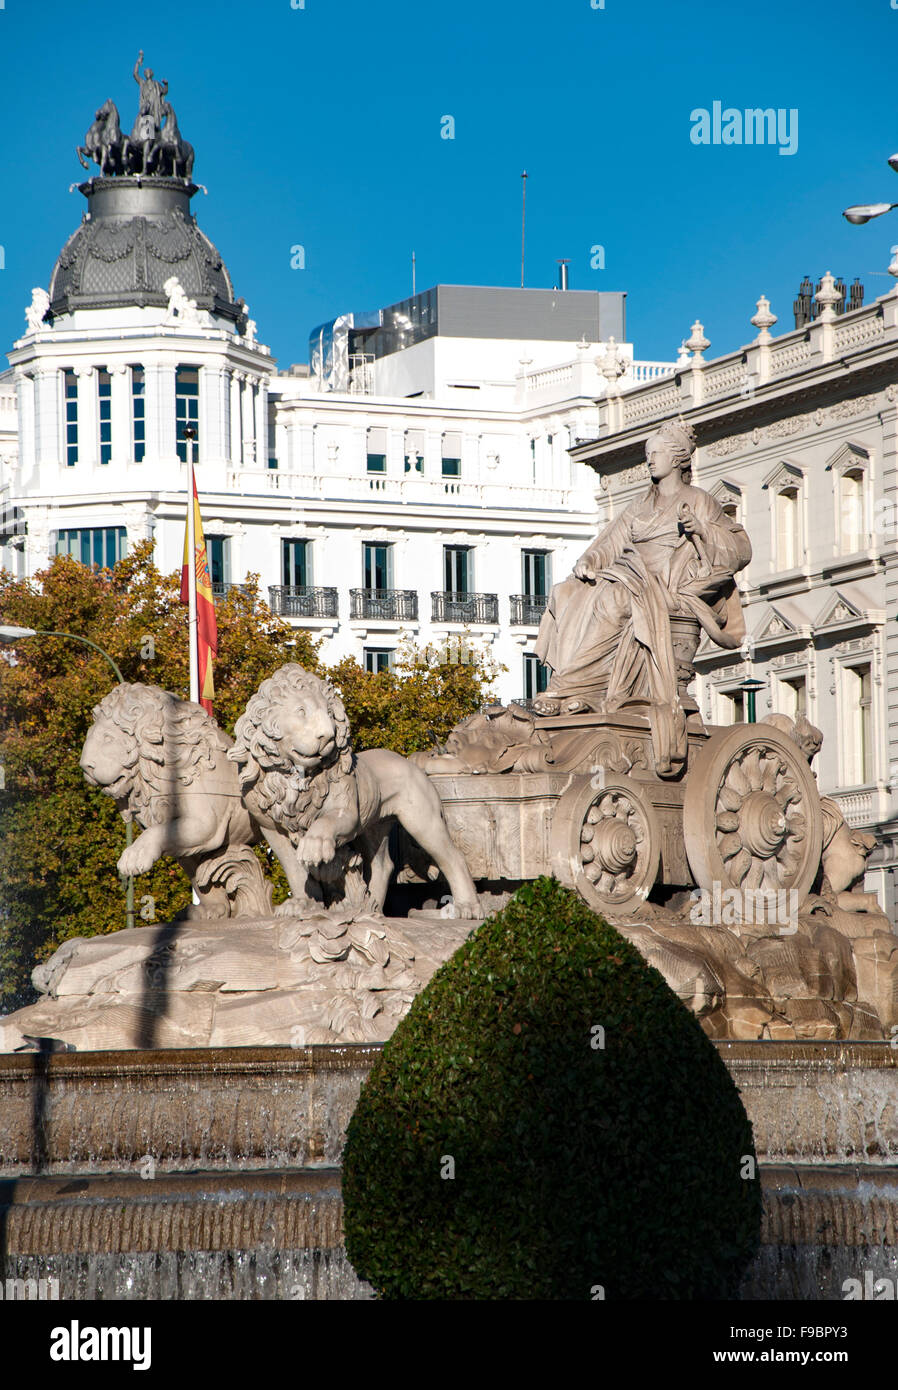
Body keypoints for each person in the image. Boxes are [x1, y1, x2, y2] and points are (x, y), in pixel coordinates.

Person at [533, 417, 751, 774]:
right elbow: (610, 543)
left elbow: (739, 549)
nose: (650, 461)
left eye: (657, 454)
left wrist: (704, 531)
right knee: (567, 592)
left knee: (615, 599)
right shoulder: (639, 505)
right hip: (631, 576)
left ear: (678, 458)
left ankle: (571, 686)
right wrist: (589, 561)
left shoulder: (698, 501)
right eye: (648, 454)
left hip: (668, 586)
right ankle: (580, 692)